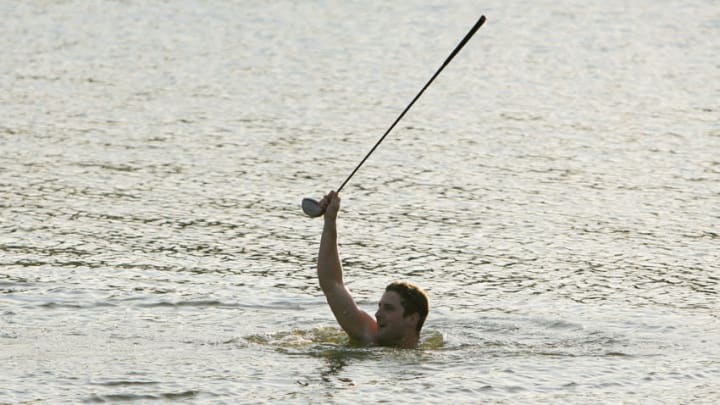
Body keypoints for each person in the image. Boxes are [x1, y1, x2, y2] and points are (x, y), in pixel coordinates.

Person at [316, 191, 429, 348]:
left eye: (388, 308)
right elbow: (332, 284)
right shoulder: (368, 336)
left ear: (412, 319)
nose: (377, 314)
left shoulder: (430, 359)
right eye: (379, 306)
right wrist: (330, 221)